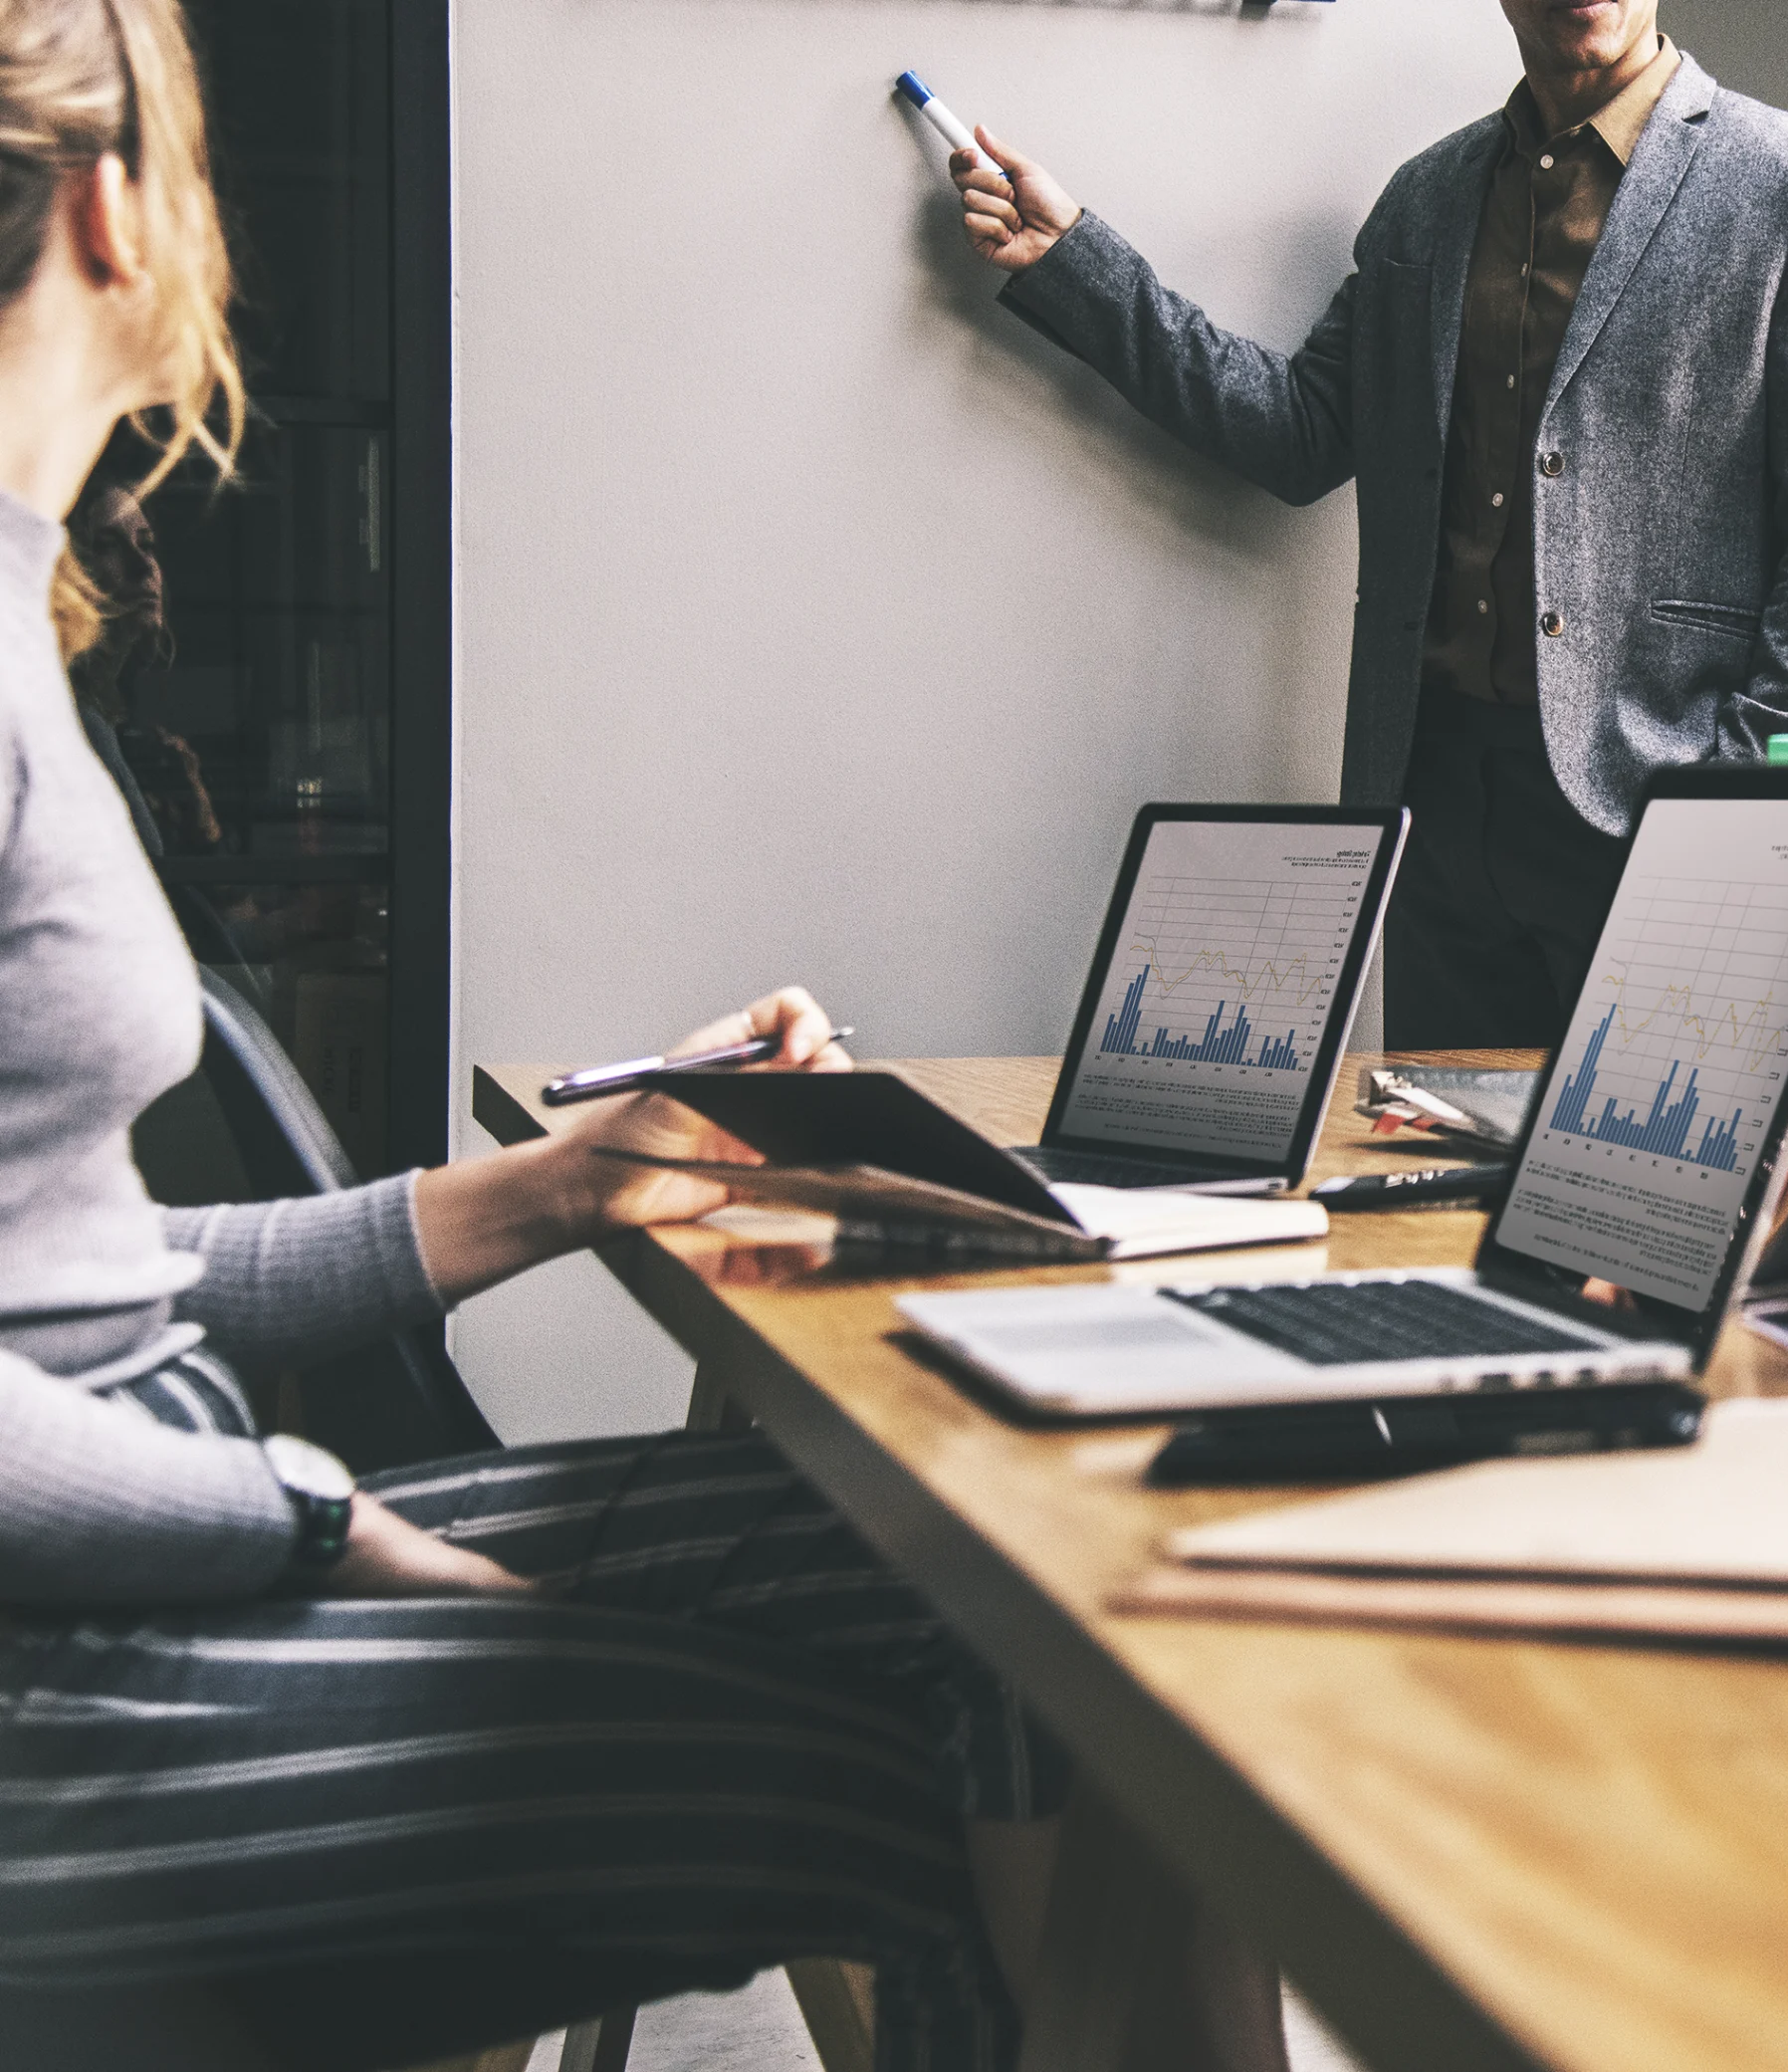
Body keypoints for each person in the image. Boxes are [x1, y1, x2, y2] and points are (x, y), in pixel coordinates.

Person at [0, 4, 1051, 2063]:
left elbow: (73, 1286)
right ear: (122, 211)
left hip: (154, 1557)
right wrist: (332, 1528)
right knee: (878, 1782)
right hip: (72, 1685)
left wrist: (586, 1175)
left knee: (977, 1568)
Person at [950, 0, 1788, 1048]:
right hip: (1434, 806)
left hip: (1660, 800)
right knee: (1440, 1195)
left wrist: (1747, 788)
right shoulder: (1427, 201)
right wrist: (1076, 263)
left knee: (1653, 1196)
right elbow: (1301, 431)